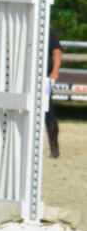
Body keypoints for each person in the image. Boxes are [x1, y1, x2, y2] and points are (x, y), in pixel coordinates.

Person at [46, 29, 62, 158]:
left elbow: (56, 52)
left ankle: (54, 145)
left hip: (45, 79)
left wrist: (55, 71)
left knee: (48, 111)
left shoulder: (49, 32)